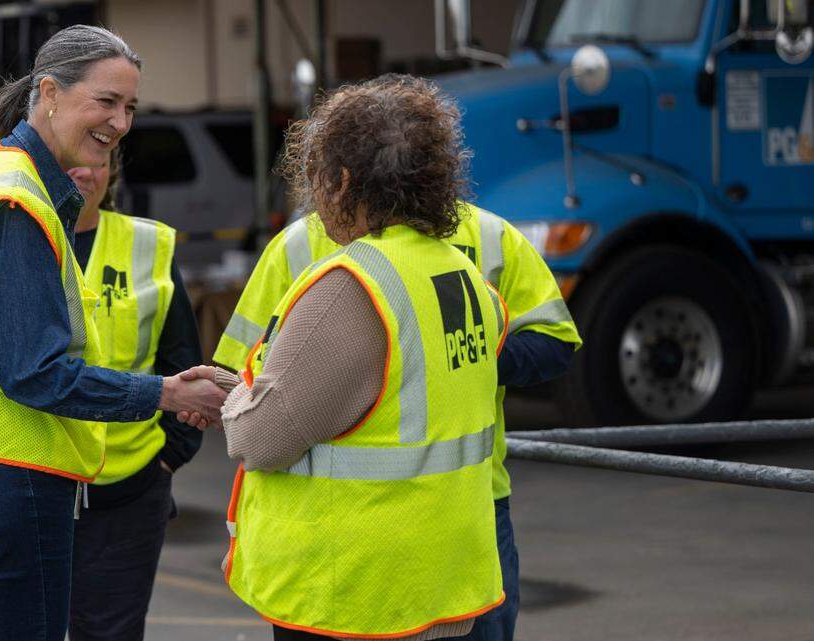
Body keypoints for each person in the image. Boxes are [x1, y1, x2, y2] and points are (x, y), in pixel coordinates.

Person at [213, 78, 582, 641]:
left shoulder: (349, 280)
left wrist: (243, 394)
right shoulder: (462, 270)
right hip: (446, 553)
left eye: (316, 178)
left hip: (354, 573)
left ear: (340, 180)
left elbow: (259, 436)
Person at [0, 25, 224, 641]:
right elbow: (35, 371)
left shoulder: (1, 177)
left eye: (130, 107)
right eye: (106, 101)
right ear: (49, 93)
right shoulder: (16, 201)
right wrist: (165, 394)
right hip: (5, 463)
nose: (121, 122)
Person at [64, 151, 204, 641]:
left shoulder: (148, 244)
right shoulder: (17, 237)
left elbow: (182, 361)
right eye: (69, 161)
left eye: (97, 161)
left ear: (113, 172)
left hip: (129, 490)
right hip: (36, 487)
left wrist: (169, 458)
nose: (83, 172)